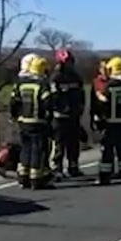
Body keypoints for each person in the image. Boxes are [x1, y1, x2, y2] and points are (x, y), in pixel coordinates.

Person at [10, 53, 54, 189]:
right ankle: (36, 179)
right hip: (38, 122)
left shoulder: (20, 83)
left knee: (25, 148)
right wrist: (49, 117)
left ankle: (23, 177)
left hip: (23, 122)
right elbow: (48, 102)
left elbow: (13, 101)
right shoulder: (42, 84)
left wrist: (15, 116)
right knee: (37, 149)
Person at [91, 56, 121, 185]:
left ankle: (105, 177)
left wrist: (99, 98)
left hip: (111, 124)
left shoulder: (110, 86)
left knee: (107, 152)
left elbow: (104, 104)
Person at [48, 48, 86, 178]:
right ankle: (56, 168)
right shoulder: (55, 78)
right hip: (59, 116)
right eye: (67, 62)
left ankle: (73, 166)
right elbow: (53, 97)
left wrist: (80, 108)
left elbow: (81, 94)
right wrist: (56, 110)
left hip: (74, 115)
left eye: (70, 61)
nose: (69, 64)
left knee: (74, 143)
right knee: (59, 144)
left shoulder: (76, 77)